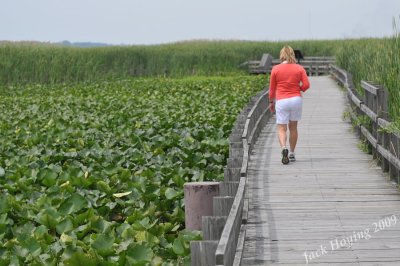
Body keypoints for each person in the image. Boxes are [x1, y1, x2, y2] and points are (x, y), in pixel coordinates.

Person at [268, 46, 310, 164]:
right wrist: (299, 88)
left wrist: (271, 101)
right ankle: (291, 153)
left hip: (282, 100)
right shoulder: (299, 68)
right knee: (293, 128)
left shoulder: (275, 69)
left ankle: (283, 148)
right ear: (292, 54)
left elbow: (272, 89)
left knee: (282, 128)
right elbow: (306, 85)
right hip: (296, 99)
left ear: (281, 55)